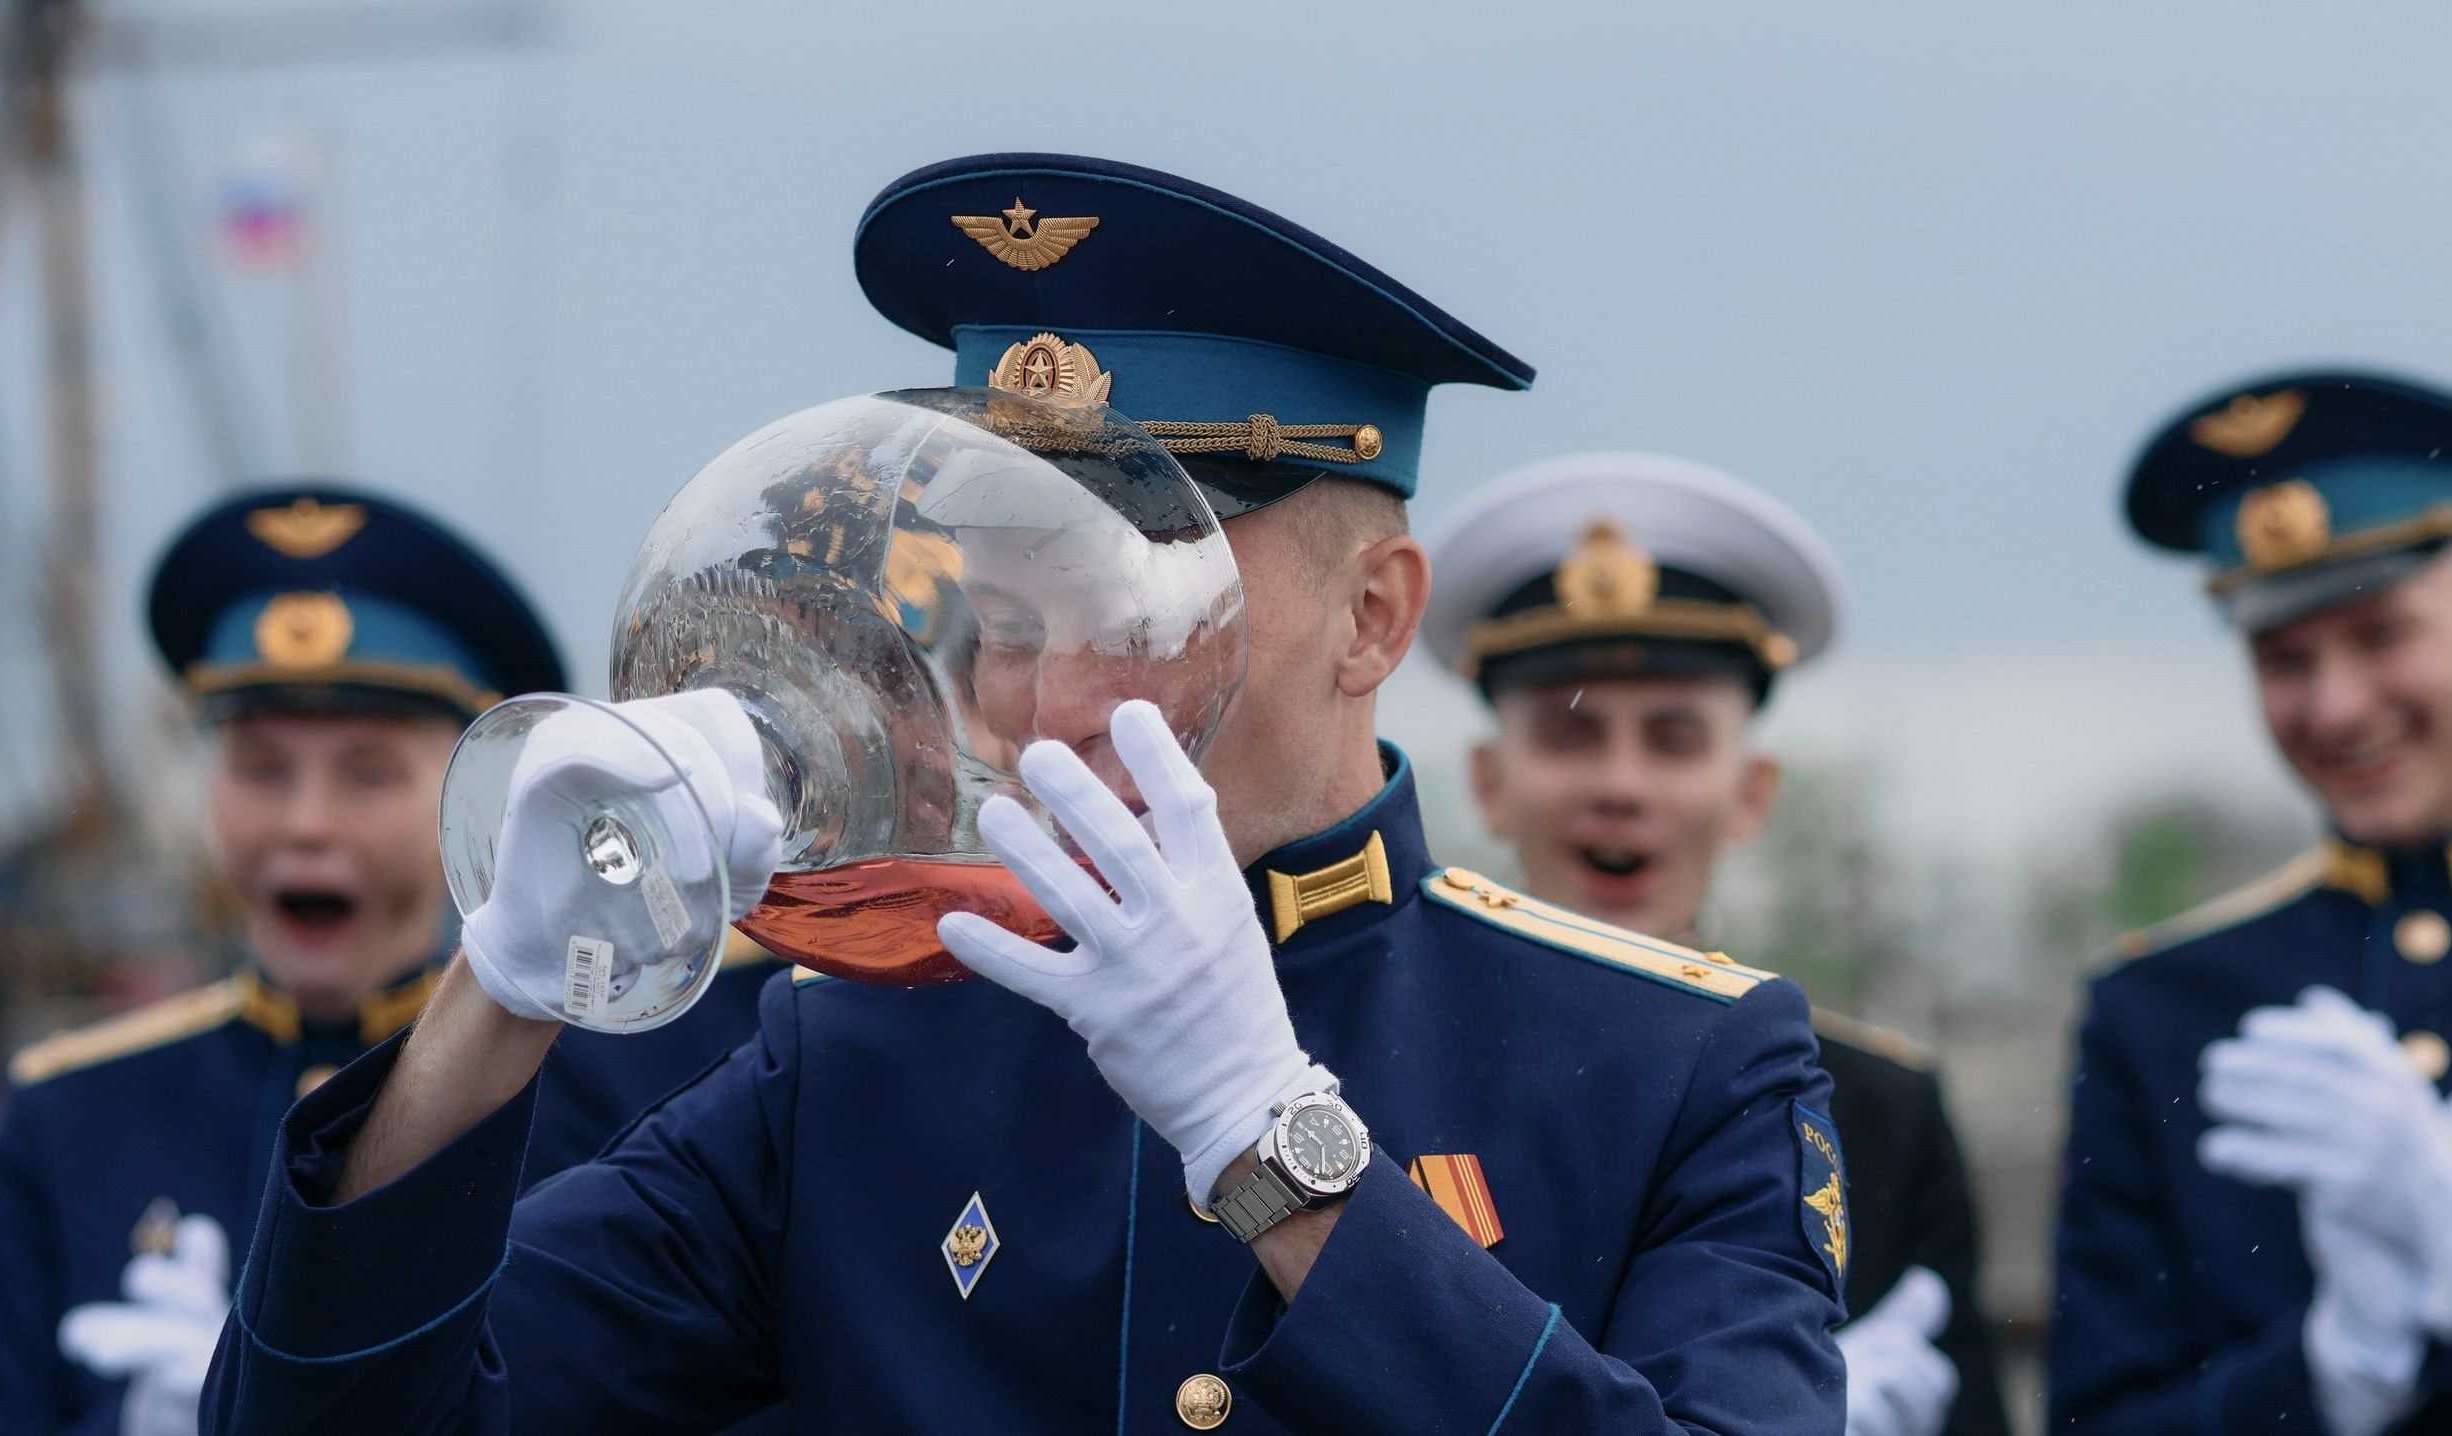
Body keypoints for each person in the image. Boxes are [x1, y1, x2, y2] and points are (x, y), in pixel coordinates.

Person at [199, 152, 1850, 1436]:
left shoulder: (1678, 1061)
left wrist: (1281, 1155)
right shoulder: (853, 1055)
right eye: (1000, 619)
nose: (1044, 701)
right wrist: (506, 989)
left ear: (1375, 618)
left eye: (1139, 611)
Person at [0, 485, 778, 1436]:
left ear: (477, 792)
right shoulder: (70, 1115)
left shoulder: (647, 1071)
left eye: (369, 773)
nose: (306, 824)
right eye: (261, 769)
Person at [1422, 452, 2011, 1436]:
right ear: (1489, 782)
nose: (1620, 784)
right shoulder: (1381, 1067)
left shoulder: (1878, 1110)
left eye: (1674, 738)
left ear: (1751, 791)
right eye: (1570, 734)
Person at [2051, 370, 2452, 1435]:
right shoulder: (2163, 1006)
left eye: (2382, 635)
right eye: (2283, 659)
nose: (2335, 707)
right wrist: (2333, 1374)